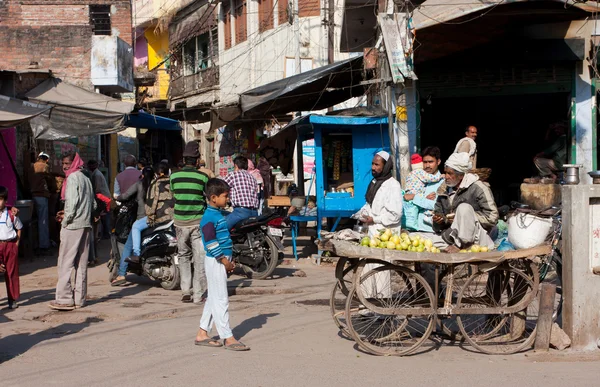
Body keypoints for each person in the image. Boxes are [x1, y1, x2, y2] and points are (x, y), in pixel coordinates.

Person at [195, 178, 250, 351]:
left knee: (213, 298)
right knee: (221, 300)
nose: (228, 199)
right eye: (225, 196)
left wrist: (228, 259)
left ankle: (202, 333)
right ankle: (228, 337)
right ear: (213, 197)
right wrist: (225, 261)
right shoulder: (209, 218)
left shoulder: (217, 214)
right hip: (216, 260)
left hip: (220, 260)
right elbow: (211, 243)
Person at [49, 152, 96, 311]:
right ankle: (79, 299)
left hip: (73, 225)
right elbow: (94, 205)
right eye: (63, 163)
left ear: (74, 163)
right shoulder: (86, 178)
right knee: (81, 264)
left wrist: (66, 220)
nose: (64, 166)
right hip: (86, 224)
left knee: (65, 263)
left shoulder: (73, 178)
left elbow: (72, 203)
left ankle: (64, 299)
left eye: (67, 163)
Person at [432, 152, 498, 253]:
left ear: (461, 175)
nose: (446, 176)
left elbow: (492, 217)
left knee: (464, 208)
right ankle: (456, 245)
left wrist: (464, 217)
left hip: (475, 239)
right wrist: (441, 220)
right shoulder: (443, 190)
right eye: (445, 172)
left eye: (450, 173)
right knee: (425, 240)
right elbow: (438, 225)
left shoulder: (478, 188)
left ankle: (460, 245)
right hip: (451, 236)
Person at [170, 141, 209, 303]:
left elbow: (174, 195)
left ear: (184, 159)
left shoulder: (174, 176)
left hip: (180, 222)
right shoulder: (203, 177)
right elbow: (206, 196)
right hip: (197, 222)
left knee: (183, 255)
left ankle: (185, 290)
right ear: (197, 160)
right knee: (199, 257)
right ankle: (198, 294)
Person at [111, 166, 154, 286]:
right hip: (157, 219)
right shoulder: (156, 185)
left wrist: (117, 198)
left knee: (127, 246)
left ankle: (122, 274)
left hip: (142, 219)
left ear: (143, 175)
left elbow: (125, 195)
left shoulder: (139, 184)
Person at [125, 163, 174, 265]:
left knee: (136, 226)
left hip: (160, 217)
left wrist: (150, 216)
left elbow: (152, 202)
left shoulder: (154, 184)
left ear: (158, 173)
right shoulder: (173, 182)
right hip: (173, 217)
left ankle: (137, 254)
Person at [354, 151, 403, 237]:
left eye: (377, 165)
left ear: (386, 167)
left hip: (386, 236)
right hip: (371, 234)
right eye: (372, 164)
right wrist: (361, 214)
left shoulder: (393, 185)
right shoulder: (374, 182)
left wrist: (374, 219)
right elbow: (370, 204)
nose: (373, 167)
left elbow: (396, 215)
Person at [403, 147, 445, 233]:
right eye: (425, 162)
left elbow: (439, 206)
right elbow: (406, 198)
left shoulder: (443, 183)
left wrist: (415, 198)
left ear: (438, 162)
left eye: (431, 162)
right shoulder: (416, 178)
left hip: (430, 230)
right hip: (412, 228)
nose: (427, 166)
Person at [0, 186, 23, 309]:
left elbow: (19, 228)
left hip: (10, 245)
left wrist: (16, 244)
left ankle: (12, 298)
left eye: (1, 199)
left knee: (11, 272)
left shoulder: (10, 214)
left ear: (5, 200)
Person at [223, 156, 259, 230]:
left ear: (235, 166)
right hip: (255, 213)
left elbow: (220, 186)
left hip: (240, 212)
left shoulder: (233, 175)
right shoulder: (253, 178)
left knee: (220, 229)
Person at [29, 152, 53, 255]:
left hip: (33, 194)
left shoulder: (32, 166)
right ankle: (44, 245)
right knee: (43, 221)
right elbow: (50, 180)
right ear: (46, 159)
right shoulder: (45, 166)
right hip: (42, 195)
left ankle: (36, 244)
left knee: (36, 221)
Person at [87, 159, 111, 240]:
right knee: (103, 216)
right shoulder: (95, 173)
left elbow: (97, 189)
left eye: (92, 165)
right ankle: (105, 233)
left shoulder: (96, 175)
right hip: (103, 197)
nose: (90, 167)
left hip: (102, 197)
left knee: (103, 216)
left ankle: (106, 233)